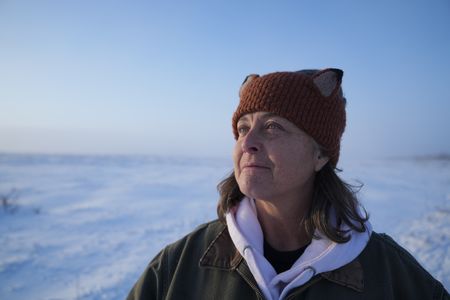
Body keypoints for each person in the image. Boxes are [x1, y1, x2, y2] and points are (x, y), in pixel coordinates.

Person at [128, 68, 449, 299]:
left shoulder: (389, 276)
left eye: (273, 127)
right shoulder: (179, 265)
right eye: (242, 128)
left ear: (320, 154)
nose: (247, 142)